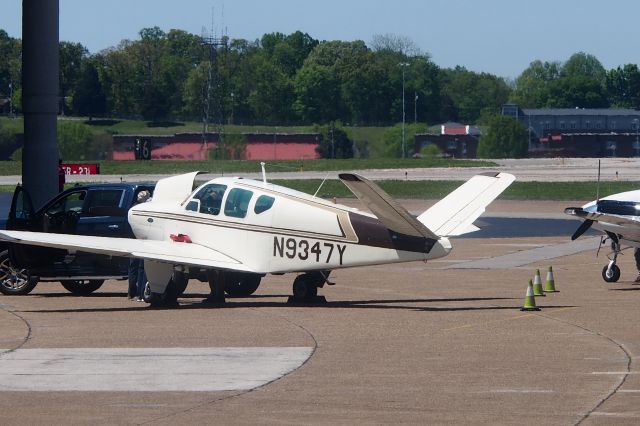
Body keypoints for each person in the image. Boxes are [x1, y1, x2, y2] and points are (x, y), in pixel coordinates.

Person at [128, 190, 152, 300]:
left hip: (134, 241)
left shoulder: (133, 209)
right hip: (142, 242)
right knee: (142, 268)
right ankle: (140, 293)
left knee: (134, 268)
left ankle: (133, 292)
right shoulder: (143, 210)